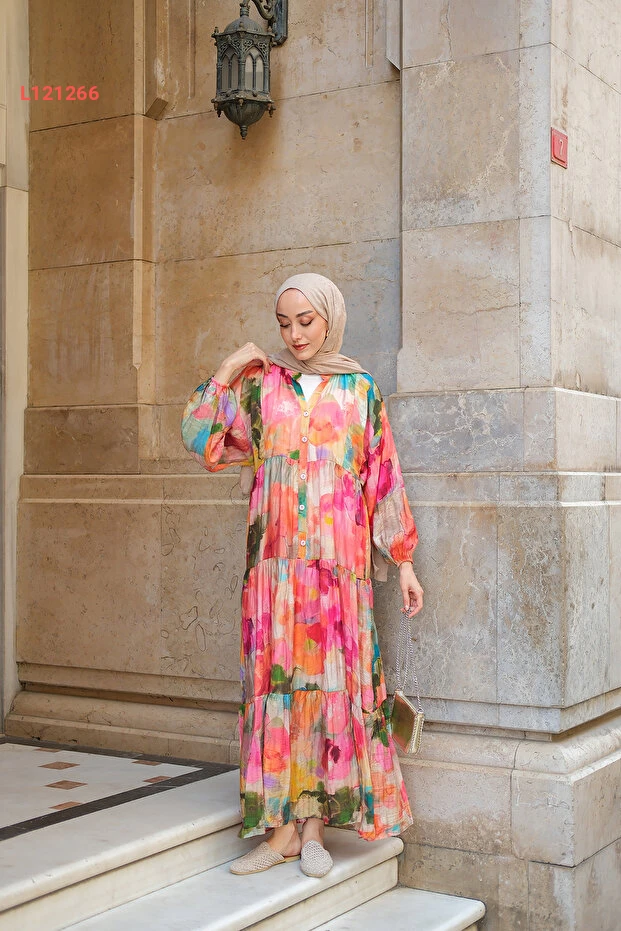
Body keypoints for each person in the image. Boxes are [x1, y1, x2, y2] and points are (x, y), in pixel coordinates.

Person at [181, 273, 423, 879]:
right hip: (275, 576)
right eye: (284, 323)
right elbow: (198, 436)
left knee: (329, 692)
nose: (295, 335)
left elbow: (383, 477)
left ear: (330, 318)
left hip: (339, 574)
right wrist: (232, 365)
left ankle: (313, 830)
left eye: (306, 321)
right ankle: (281, 831)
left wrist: (404, 561)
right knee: (277, 692)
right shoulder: (262, 387)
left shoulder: (359, 390)